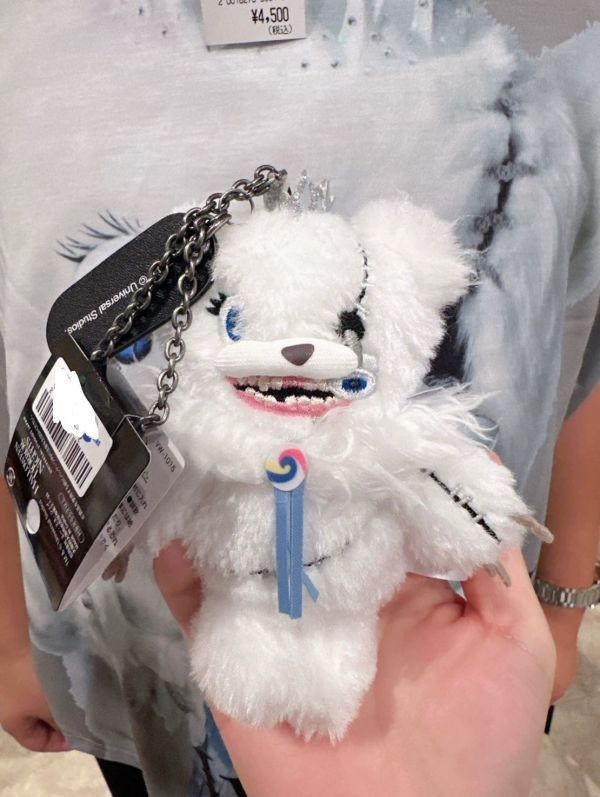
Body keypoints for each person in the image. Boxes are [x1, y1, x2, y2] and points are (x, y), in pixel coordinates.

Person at [1, 2, 599, 795]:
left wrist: (560, 599)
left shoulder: (543, 61)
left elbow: (581, 328)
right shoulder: (34, 47)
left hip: (455, 668)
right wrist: (15, 632)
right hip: (133, 666)